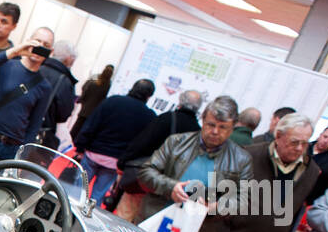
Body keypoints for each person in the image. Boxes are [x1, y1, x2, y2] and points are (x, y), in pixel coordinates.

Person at [136, 95, 252, 222]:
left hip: (196, 229)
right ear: (203, 120)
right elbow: (146, 172)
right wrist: (171, 187)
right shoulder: (177, 142)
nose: (215, 131)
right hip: (156, 217)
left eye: (222, 127)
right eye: (211, 124)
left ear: (232, 128)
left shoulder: (241, 159)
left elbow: (244, 198)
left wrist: (216, 207)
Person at [0, 27, 57, 166]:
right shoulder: (7, 65)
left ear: (50, 52)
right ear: (28, 41)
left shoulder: (44, 87)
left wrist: (21, 157)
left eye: (46, 45)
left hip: (12, 148)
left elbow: (34, 126)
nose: (40, 47)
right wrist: (15, 51)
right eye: (37, 42)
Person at [111, 89, 200, 220]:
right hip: (170, 190)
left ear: (180, 101)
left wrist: (123, 163)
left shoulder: (167, 119)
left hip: (145, 181)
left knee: (124, 217)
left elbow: (142, 143)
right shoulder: (197, 132)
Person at [72, 79, 155, 204]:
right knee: (96, 197)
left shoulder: (113, 101)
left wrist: (80, 147)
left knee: (77, 191)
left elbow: (92, 124)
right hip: (115, 162)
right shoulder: (149, 116)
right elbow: (140, 144)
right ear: (149, 96)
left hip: (93, 153)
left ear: (132, 87)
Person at [33, 40, 77, 149]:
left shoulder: (36, 68)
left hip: (17, 128)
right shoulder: (65, 82)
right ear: (69, 58)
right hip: (40, 136)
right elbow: (63, 115)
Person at [71, 64, 112, 138]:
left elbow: (85, 87)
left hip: (86, 106)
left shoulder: (94, 78)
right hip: (94, 110)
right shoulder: (108, 84)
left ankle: (70, 141)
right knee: (85, 129)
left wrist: (82, 99)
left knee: (77, 126)